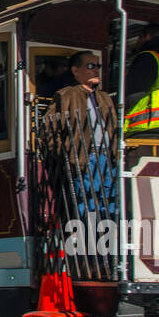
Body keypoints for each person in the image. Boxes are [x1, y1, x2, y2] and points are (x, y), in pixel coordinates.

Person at [46, 50, 119, 219]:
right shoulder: (66, 95)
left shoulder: (105, 98)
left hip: (108, 156)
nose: (96, 70)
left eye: (98, 66)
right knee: (88, 201)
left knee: (110, 200)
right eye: (91, 66)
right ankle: (89, 237)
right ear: (75, 71)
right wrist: (65, 155)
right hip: (85, 158)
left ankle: (107, 237)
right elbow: (50, 129)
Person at [123, 24, 159, 140]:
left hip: (146, 126)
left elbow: (134, 92)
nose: (138, 42)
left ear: (147, 37)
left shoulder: (147, 57)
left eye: (139, 38)